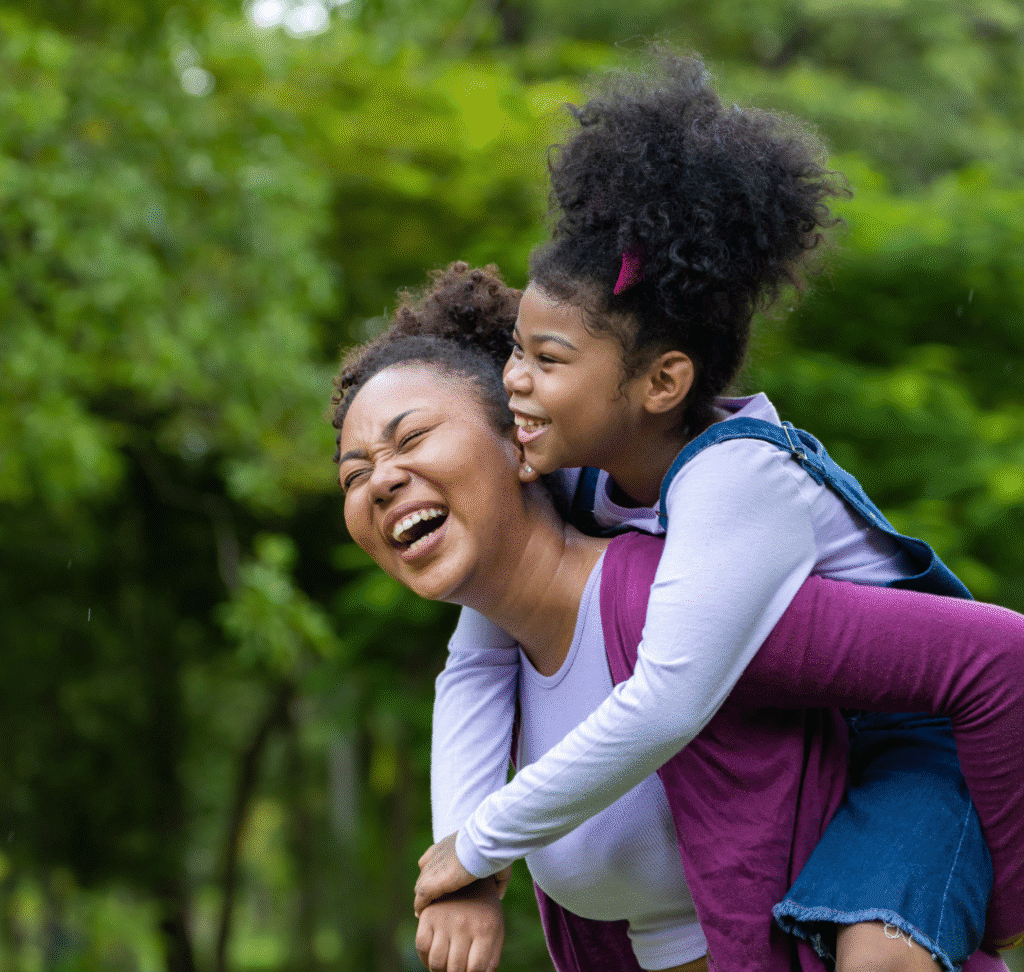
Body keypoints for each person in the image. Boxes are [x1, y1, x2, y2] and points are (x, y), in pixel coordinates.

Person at [410, 52, 1022, 971]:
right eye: (515, 353)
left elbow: (666, 701)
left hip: (915, 753)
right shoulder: (582, 476)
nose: (515, 384)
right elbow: (474, 662)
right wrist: (458, 857)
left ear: (663, 382)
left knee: (876, 957)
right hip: (807, 749)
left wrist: (484, 840)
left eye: (548, 359)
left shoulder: (735, 480)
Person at [329, 299, 1024, 972]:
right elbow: (468, 672)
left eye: (413, 438)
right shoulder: (499, 652)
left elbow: (992, 658)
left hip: (920, 762)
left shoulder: (695, 591)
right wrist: (465, 872)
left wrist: (1008, 904)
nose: (382, 481)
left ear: (521, 443)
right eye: (354, 474)